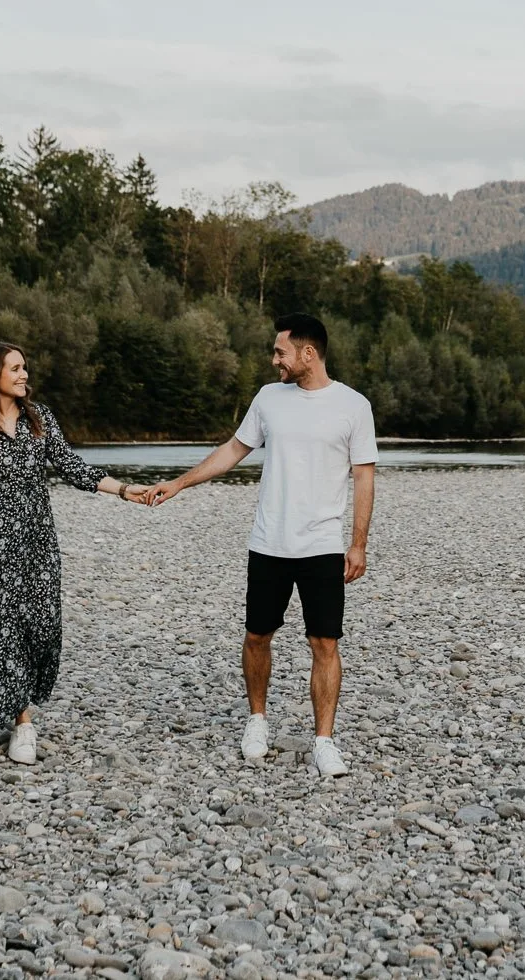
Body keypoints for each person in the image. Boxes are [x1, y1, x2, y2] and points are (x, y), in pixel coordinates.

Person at [140, 313, 376, 777]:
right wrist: (181, 482)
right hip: (269, 542)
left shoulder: (353, 406)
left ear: (308, 353)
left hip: (323, 545)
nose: (274, 361)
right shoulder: (269, 399)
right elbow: (232, 450)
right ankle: (257, 720)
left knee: (324, 641)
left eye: (280, 352)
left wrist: (358, 543)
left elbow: (364, 475)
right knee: (256, 636)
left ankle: (324, 740)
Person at [0, 340, 144, 764]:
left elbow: (73, 467)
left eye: (24, 367)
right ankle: (23, 723)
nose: (24, 375)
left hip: (39, 544)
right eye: (15, 369)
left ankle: (18, 703)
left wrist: (125, 490)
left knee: (40, 625)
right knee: (3, 629)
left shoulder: (40, 420)